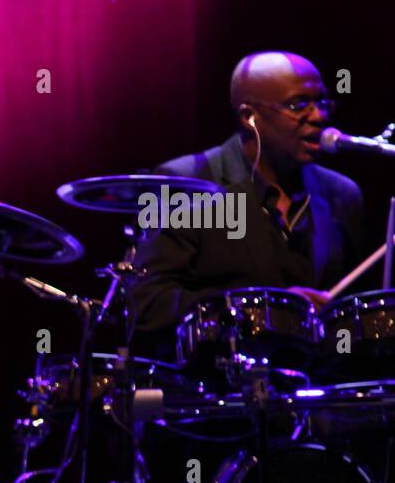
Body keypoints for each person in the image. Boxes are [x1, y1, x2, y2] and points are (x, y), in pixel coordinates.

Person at [131, 51, 366, 342]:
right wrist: (262, 310)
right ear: (248, 116)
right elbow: (147, 304)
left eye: (322, 102)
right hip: (217, 382)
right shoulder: (184, 181)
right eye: (298, 105)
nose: (320, 117)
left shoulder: (342, 194)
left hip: (315, 382)